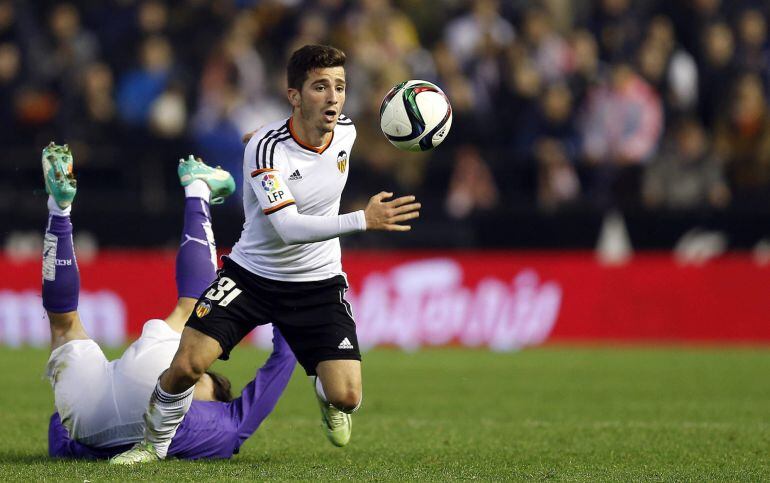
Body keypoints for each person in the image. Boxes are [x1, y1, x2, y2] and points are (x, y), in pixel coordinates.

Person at [111, 44, 422, 464]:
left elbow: (355, 131)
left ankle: (324, 391)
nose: (332, 97)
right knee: (186, 365)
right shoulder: (267, 148)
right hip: (251, 277)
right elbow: (289, 228)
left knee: (347, 396)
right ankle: (153, 443)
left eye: (340, 87)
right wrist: (362, 220)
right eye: (320, 87)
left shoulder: (346, 131)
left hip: (317, 283)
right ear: (294, 95)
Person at [41, 142, 297, 460]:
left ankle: (197, 188)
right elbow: (60, 434)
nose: (203, 372)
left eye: (206, 378)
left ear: (213, 399)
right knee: (63, 327)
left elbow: (283, 362)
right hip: (90, 418)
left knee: (191, 308)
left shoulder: (221, 421)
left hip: (146, 391)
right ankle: (58, 209)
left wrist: (290, 311)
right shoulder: (224, 431)